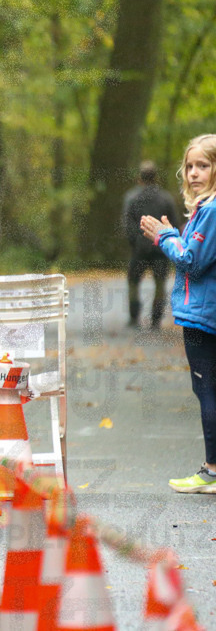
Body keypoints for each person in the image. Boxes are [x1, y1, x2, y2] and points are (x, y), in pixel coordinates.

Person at [140, 134, 216, 494]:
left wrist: (163, 237)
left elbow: (192, 262)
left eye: (203, 165)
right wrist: (174, 232)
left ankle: (211, 471)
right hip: (203, 313)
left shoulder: (212, 211)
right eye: (189, 166)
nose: (194, 173)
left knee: (207, 391)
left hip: (205, 316)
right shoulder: (205, 210)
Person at [123, 160, 180, 329]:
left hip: (139, 248)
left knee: (133, 281)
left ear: (139, 177)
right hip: (161, 247)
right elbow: (174, 223)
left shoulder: (132, 197)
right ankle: (156, 319)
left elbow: (127, 224)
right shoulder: (166, 198)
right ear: (156, 177)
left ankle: (134, 317)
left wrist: (136, 242)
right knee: (160, 283)